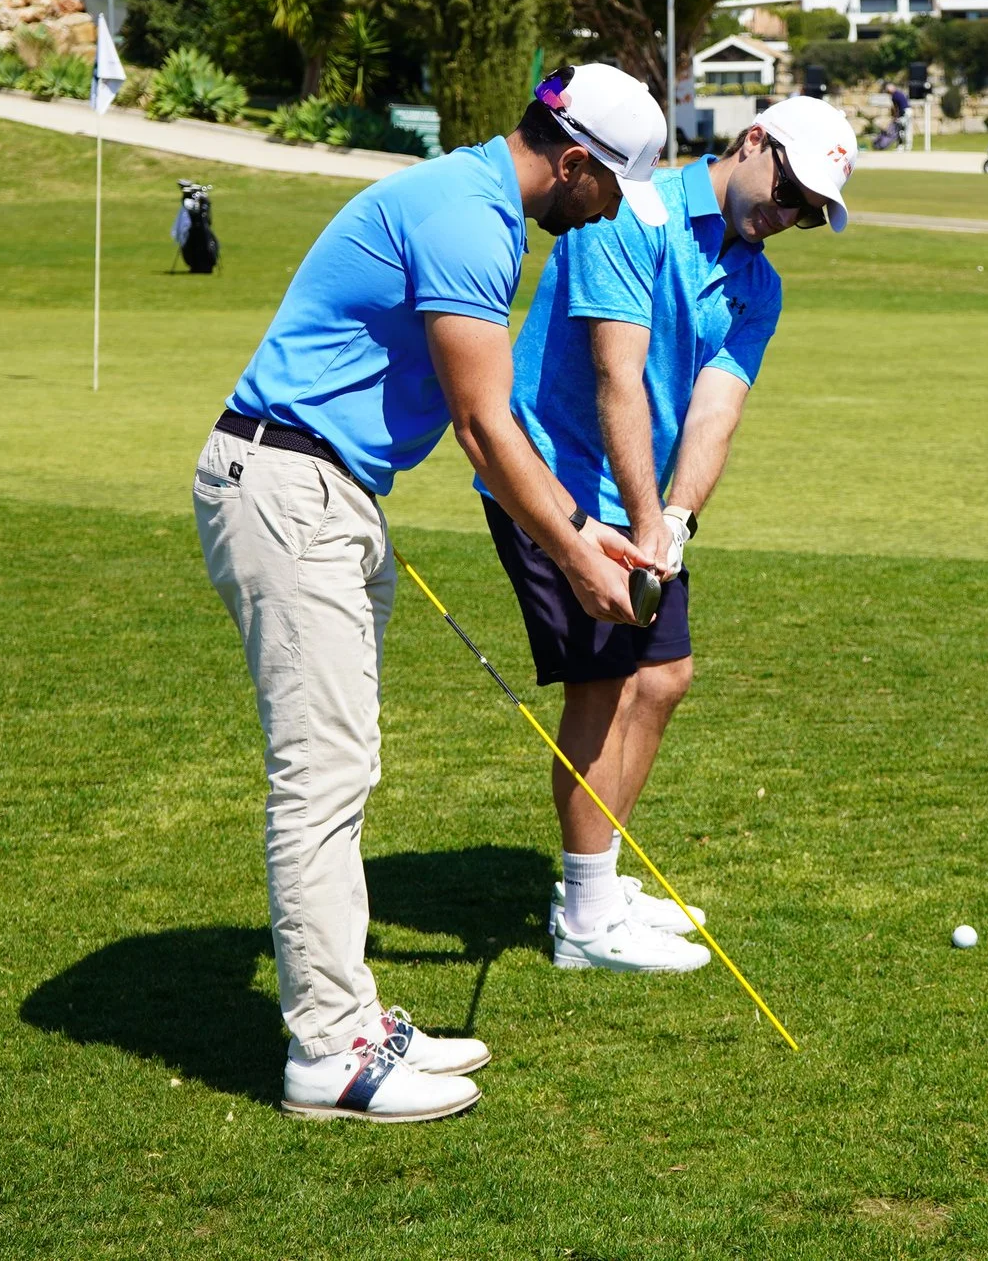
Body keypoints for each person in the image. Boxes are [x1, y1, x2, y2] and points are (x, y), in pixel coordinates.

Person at [196, 64, 666, 1124]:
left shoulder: (469, 198)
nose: (601, 217)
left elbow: (497, 429)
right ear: (578, 163)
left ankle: (354, 1014)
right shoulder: (472, 218)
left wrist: (586, 530)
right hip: (290, 481)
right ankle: (329, 1052)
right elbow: (484, 428)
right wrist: (579, 564)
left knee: (346, 762)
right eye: (607, 193)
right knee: (320, 774)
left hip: (322, 484)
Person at [486, 95, 853, 973]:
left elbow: (715, 408)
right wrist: (644, 521)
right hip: (557, 482)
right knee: (604, 686)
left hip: (646, 500)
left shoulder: (757, 283)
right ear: (751, 141)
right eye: (790, 188)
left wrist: (677, 522)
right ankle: (584, 919)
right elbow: (618, 374)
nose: (790, 213)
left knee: (665, 678)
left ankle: (601, 881)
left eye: (809, 210)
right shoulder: (632, 208)